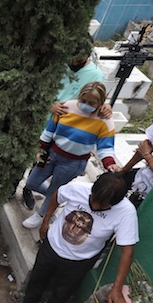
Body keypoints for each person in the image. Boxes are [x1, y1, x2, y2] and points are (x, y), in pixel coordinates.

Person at [9, 173, 138, 303]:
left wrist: (117, 288)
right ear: (92, 190)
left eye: (102, 206)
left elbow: (127, 252)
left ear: (115, 203)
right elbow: (57, 196)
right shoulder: (78, 188)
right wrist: (45, 221)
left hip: (80, 260)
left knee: (64, 288)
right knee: (38, 276)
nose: (94, 207)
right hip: (52, 245)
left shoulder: (126, 213)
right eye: (93, 200)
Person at [22, 81, 121, 229]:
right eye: (83, 100)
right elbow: (49, 130)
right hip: (51, 154)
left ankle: (41, 215)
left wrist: (110, 163)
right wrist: (40, 149)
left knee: (55, 189)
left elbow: (105, 147)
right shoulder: (67, 107)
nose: (86, 104)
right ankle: (56, 199)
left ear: (101, 103)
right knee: (32, 183)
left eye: (92, 103)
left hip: (73, 163)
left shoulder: (104, 120)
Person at [22, 49, 111, 209]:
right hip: (41, 121)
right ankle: (23, 185)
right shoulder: (56, 65)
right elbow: (36, 89)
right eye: (72, 56)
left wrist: (106, 108)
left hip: (64, 132)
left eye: (79, 57)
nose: (74, 61)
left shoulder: (95, 75)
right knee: (27, 157)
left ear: (88, 52)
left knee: (40, 166)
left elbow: (97, 98)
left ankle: (31, 192)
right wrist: (49, 105)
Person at [121, 124, 153, 208]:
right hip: (141, 179)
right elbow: (145, 147)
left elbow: (145, 152)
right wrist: (123, 171)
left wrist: (148, 157)